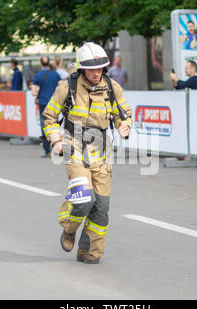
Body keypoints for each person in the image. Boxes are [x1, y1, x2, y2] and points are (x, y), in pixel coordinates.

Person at [42, 42, 132, 264]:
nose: (96, 73)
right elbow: (49, 117)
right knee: (83, 199)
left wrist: (124, 125)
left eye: (100, 68)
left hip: (101, 153)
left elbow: (124, 114)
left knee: (101, 208)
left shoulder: (112, 87)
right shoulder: (67, 88)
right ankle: (69, 230)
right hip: (75, 147)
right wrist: (55, 140)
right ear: (81, 68)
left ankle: (89, 251)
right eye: (91, 69)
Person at [31, 56, 61, 157]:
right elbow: (61, 88)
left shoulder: (38, 76)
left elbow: (34, 92)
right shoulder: (56, 74)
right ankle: (56, 148)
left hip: (43, 103)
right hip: (54, 104)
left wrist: (39, 91)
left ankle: (47, 151)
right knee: (54, 126)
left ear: (40, 64)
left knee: (45, 127)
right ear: (49, 63)